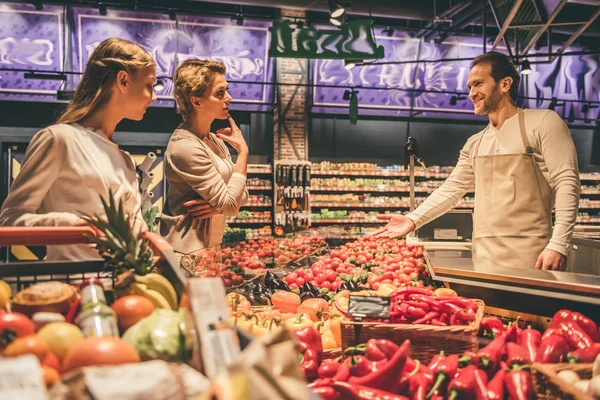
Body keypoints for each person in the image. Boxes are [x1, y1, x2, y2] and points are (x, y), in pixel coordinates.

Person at [375, 51, 580, 271]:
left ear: (505, 84)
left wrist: (558, 243)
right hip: (484, 257)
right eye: (470, 87)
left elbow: (567, 181)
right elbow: (452, 188)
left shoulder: (543, 122)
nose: (472, 94)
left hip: (533, 256)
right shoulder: (475, 143)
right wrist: (413, 219)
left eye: (478, 84)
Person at [0, 37, 156, 260]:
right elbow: (10, 220)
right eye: (149, 86)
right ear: (123, 80)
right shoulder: (59, 139)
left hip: (122, 286)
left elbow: (133, 223)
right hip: (69, 285)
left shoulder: (126, 159)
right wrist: (73, 226)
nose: (154, 96)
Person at [160, 59, 248, 262]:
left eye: (227, 90)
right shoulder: (185, 147)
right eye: (220, 93)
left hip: (210, 248)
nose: (229, 97)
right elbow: (231, 203)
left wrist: (221, 205)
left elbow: (242, 195)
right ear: (196, 102)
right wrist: (243, 152)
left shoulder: (216, 141)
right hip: (187, 253)